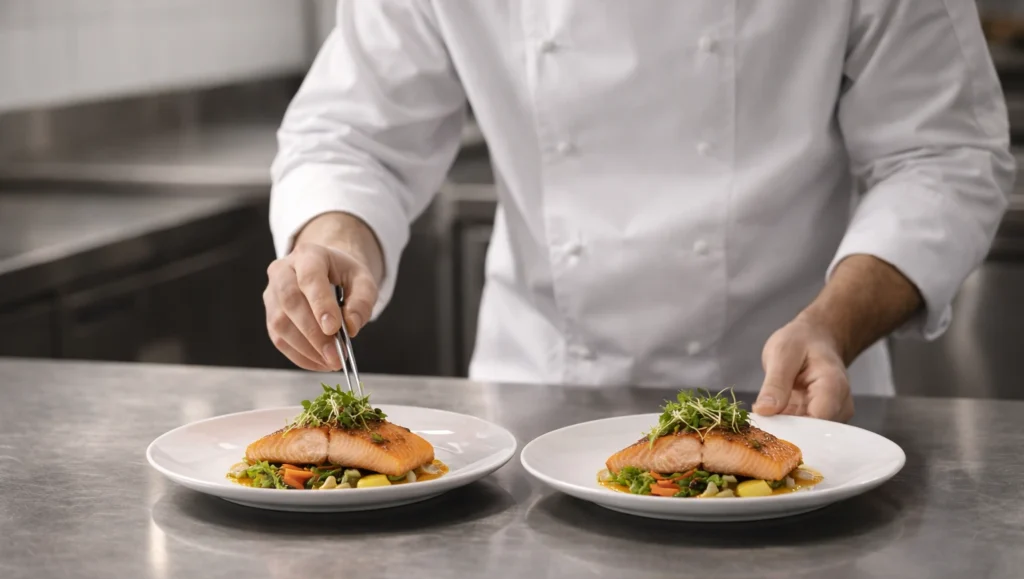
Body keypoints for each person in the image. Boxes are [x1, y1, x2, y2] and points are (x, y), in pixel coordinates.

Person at [265, 1, 1014, 422]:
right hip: (537, 406)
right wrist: (336, 239)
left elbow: (943, 154)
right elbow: (354, 136)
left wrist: (834, 324)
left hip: (794, 410)